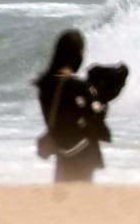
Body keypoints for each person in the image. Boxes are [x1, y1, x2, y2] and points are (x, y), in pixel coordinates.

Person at [34, 29, 128, 183]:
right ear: (76, 53)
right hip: (82, 152)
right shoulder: (78, 87)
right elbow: (95, 115)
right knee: (81, 198)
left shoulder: (45, 85)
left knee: (62, 196)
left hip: (61, 150)